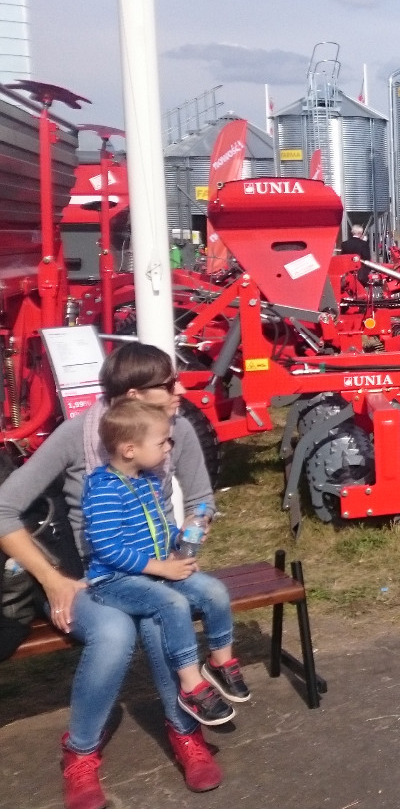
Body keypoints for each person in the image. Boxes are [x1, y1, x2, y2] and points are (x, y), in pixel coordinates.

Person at [0, 344, 222, 806]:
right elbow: (4, 509)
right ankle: (80, 752)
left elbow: (202, 498)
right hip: (85, 576)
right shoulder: (76, 435)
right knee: (115, 633)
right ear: (135, 394)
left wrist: (188, 542)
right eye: (169, 384)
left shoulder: (174, 428)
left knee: (161, 614)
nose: (181, 390)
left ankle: (184, 730)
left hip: (151, 566)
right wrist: (51, 579)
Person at [82, 400, 243, 729]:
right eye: (161, 442)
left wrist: (179, 539)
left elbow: (158, 526)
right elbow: (108, 548)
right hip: (114, 580)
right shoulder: (104, 491)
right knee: (172, 603)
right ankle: (190, 685)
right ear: (130, 449)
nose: (169, 447)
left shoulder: (148, 481)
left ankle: (219, 661)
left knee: (214, 590)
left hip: (155, 570)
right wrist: (161, 568)